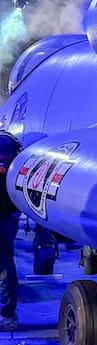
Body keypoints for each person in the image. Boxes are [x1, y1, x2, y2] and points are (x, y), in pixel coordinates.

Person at [0, 129, 22, 332]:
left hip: (4, 215)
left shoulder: (4, 144)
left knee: (4, 264)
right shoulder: (8, 142)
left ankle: (6, 315)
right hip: (7, 213)